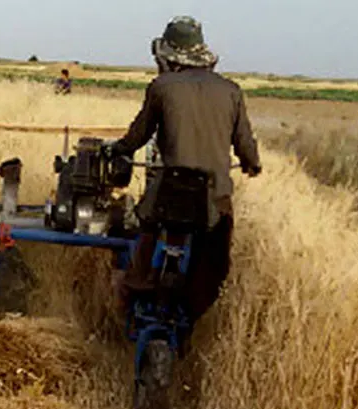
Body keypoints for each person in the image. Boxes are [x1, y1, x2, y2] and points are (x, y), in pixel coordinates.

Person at [106, 16, 262, 342]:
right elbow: (245, 144)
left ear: (168, 56)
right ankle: (192, 313)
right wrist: (251, 165)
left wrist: (117, 150)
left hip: (171, 191)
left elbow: (138, 135)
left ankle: (133, 288)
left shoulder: (162, 87)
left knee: (148, 230)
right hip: (214, 195)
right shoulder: (232, 91)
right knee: (215, 258)